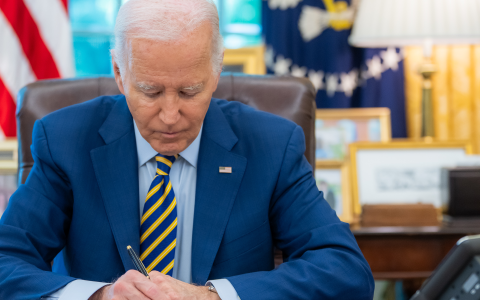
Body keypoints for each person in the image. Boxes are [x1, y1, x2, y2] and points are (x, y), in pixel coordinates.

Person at [0, 0, 374, 299]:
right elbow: (6, 262)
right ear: (119, 72)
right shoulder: (65, 140)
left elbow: (344, 269)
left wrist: (213, 297)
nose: (169, 115)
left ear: (215, 72)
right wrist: (100, 296)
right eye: (150, 91)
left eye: (189, 91)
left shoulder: (272, 145)